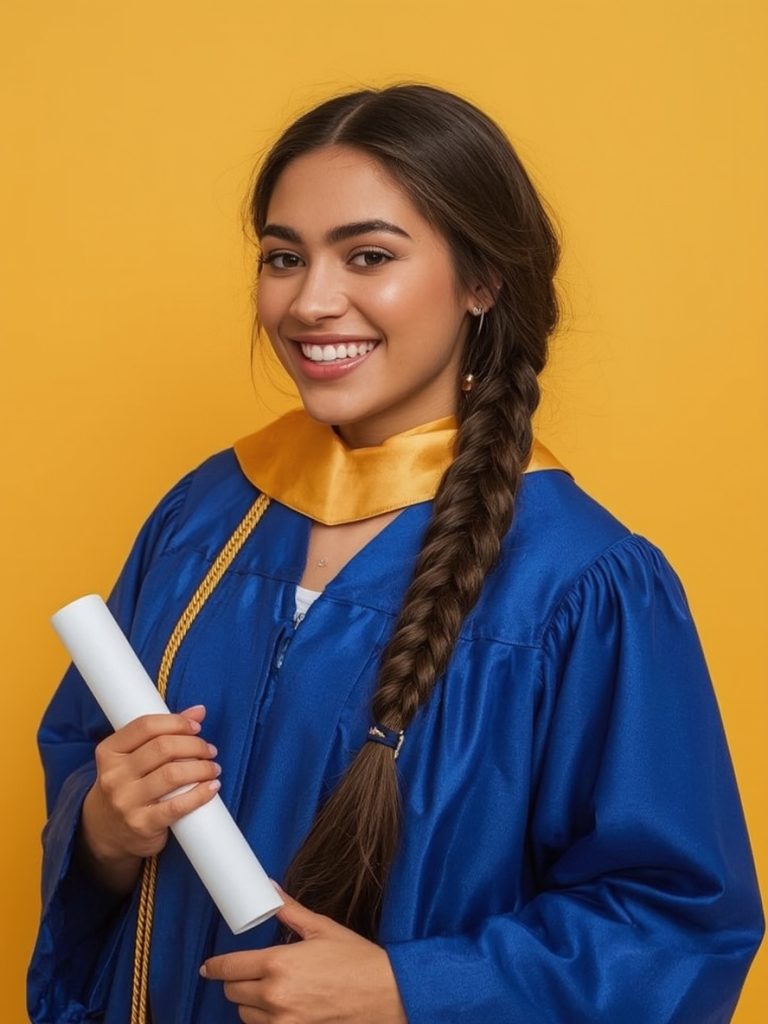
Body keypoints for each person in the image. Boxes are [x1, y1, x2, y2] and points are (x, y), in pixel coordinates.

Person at [28, 84, 763, 1024]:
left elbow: (675, 928)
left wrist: (414, 992)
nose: (310, 302)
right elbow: (84, 764)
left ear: (482, 279)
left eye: (368, 255)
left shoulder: (579, 583)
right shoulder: (206, 518)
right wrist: (102, 827)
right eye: (283, 257)